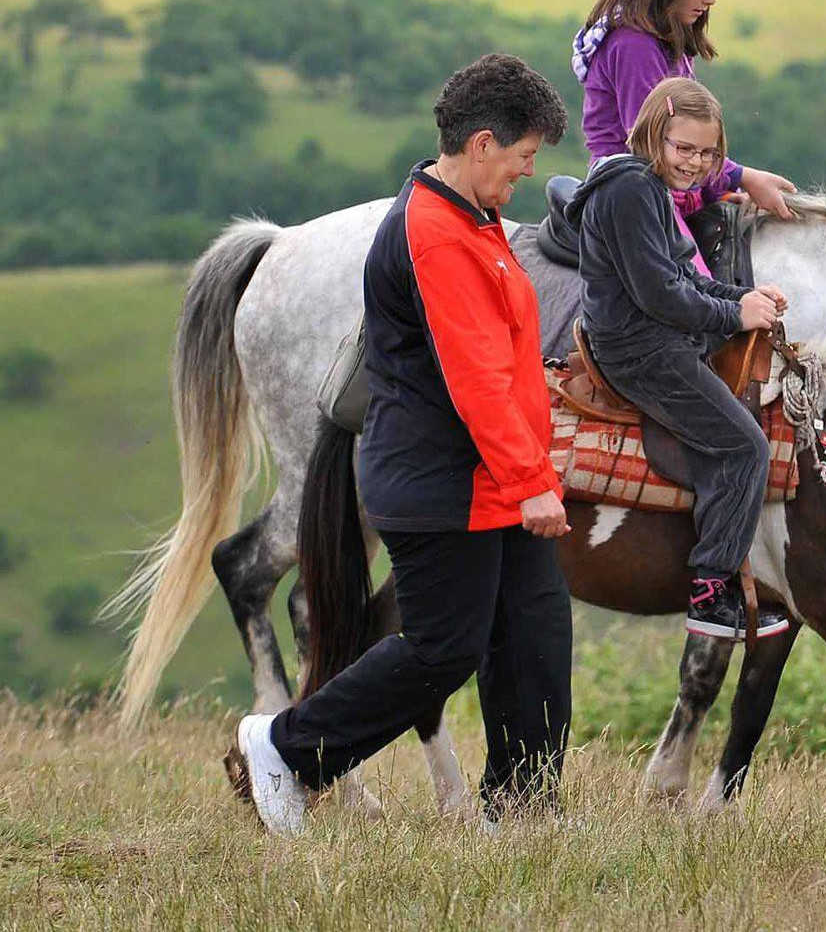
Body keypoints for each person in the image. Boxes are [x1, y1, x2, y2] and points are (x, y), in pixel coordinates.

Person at [231, 54, 575, 836]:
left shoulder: (469, 215)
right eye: (523, 160)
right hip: (439, 481)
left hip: (487, 473)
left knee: (535, 631)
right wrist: (532, 481)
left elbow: (504, 351)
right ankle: (285, 748)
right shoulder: (437, 236)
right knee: (440, 650)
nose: (524, 176)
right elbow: (476, 376)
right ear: (483, 142)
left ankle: (524, 810)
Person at [564, 77, 792, 641]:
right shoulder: (629, 192)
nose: (695, 163)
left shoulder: (650, 186)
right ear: (653, 135)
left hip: (657, 339)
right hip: (642, 350)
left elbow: (685, 277)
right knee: (745, 447)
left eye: (708, 152)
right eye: (683, 148)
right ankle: (713, 594)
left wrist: (743, 299)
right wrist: (734, 318)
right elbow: (658, 295)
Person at [572, 0, 800, 265]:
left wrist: (717, 188)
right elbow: (654, 145)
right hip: (634, 189)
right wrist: (741, 177)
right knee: (692, 287)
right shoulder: (636, 46)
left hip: (664, 181)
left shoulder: (667, 38)